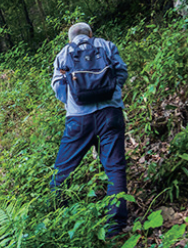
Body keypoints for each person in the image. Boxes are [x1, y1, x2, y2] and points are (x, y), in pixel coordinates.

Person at [50, 22, 129, 236]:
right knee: (114, 167)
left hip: (78, 119)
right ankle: (115, 227)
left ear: (70, 38)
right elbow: (121, 71)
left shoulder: (64, 53)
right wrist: (112, 92)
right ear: (90, 34)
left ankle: (59, 220)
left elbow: (57, 85)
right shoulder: (105, 45)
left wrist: (72, 103)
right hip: (110, 113)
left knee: (62, 169)